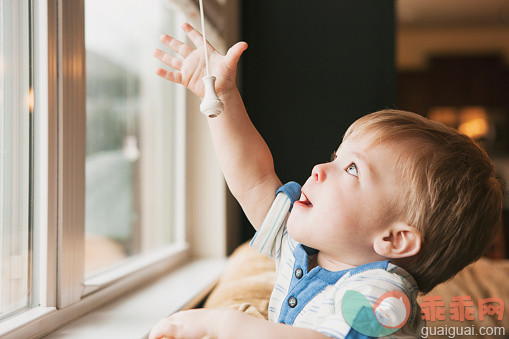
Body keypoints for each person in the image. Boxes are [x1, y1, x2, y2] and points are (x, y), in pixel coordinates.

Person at [149, 23, 503, 339]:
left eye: (352, 169)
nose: (319, 168)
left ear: (394, 239)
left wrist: (225, 326)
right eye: (337, 157)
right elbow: (255, 181)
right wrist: (222, 97)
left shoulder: (383, 295)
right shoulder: (310, 251)